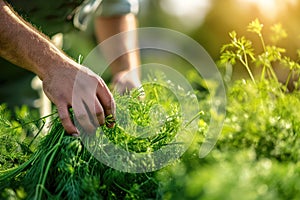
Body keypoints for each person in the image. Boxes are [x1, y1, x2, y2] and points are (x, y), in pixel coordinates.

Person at [0, 0, 141, 134]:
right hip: (39, 56)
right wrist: (52, 64)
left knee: (26, 143)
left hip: (31, 67)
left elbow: (116, 7)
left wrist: (126, 69)